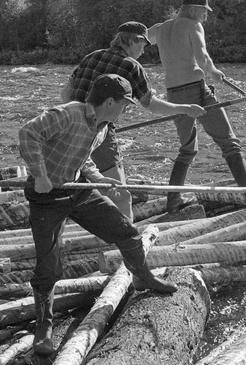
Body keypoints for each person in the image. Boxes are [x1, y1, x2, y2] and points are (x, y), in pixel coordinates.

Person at [18, 73, 176, 359]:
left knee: (126, 231)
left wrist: (99, 178)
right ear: (109, 101)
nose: (126, 110)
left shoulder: (102, 126)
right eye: (125, 104)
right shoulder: (67, 114)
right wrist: (40, 175)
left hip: (78, 190)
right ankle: (43, 329)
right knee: (49, 266)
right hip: (47, 197)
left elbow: (81, 156)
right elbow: (28, 133)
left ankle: (142, 278)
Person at [60, 21, 205, 220]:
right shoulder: (131, 66)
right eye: (143, 45)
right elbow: (152, 105)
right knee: (120, 194)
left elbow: (65, 96)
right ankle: (129, 241)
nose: (144, 51)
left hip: (67, 127)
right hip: (98, 132)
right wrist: (186, 109)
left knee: (77, 188)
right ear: (133, 41)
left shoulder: (90, 57)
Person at [147, 0, 246, 213]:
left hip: (173, 95)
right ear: (192, 9)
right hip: (197, 92)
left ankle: (173, 200)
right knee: (229, 142)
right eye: (204, 11)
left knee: (187, 149)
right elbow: (203, 56)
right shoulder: (193, 25)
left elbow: (138, 39)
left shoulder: (160, 28)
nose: (206, 16)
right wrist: (214, 72)